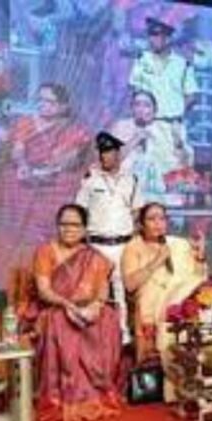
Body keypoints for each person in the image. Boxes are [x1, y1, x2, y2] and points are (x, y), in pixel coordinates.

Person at [0, 82, 91, 290]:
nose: (44, 105)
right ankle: (19, 277)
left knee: (57, 205)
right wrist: (23, 166)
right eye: (41, 100)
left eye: (50, 101)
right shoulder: (26, 122)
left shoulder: (73, 130)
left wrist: (50, 170)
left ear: (63, 106)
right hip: (25, 181)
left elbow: (70, 159)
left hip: (54, 183)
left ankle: (50, 278)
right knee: (13, 187)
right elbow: (17, 150)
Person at [32, 204, 122, 421]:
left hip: (89, 307)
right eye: (63, 224)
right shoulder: (46, 251)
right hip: (57, 306)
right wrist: (69, 306)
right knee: (61, 322)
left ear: (84, 229)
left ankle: (97, 392)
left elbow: (102, 290)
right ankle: (67, 398)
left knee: (108, 317)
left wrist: (96, 306)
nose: (68, 229)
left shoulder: (94, 256)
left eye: (74, 224)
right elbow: (44, 290)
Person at [121, 202, 206, 399]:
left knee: (199, 309)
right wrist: (157, 260)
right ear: (141, 224)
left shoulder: (178, 244)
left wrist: (200, 256)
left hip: (179, 303)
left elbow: (197, 278)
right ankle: (174, 387)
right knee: (171, 318)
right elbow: (130, 285)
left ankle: (196, 381)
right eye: (151, 219)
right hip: (151, 307)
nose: (158, 223)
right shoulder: (133, 248)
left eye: (162, 218)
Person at [75, 132, 143, 345]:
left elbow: (136, 212)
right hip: (98, 244)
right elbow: (80, 211)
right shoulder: (90, 179)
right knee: (97, 292)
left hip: (123, 244)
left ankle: (124, 334)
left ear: (118, 153)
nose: (105, 156)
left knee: (123, 292)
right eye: (102, 152)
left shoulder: (131, 180)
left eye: (109, 151)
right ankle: (97, 336)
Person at [129, 17, 197, 155]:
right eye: (150, 34)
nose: (152, 39)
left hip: (172, 127)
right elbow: (135, 89)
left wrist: (177, 115)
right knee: (143, 162)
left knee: (173, 163)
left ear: (167, 38)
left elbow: (191, 96)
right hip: (146, 125)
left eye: (156, 35)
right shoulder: (141, 60)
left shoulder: (182, 64)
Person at [110, 90, 193, 201]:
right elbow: (111, 161)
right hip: (127, 189)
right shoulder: (121, 127)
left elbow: (185, 164)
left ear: (154, 111)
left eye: (146, 105)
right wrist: (136, 139)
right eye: (137, 105)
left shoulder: (166, 130)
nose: (141, 109)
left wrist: (178, 141)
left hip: (161, 190)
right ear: (131, 108)